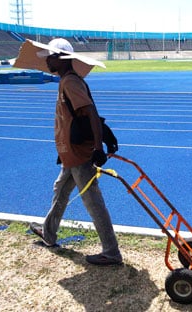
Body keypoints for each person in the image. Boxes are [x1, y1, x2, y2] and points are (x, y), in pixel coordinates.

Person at [29, 38, 122, 266]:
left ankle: (111, 251)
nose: (47, 61)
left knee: (93, 202)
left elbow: (90, 112)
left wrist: (98, 147)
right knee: (60, 190)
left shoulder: (71, 82)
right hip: (70, 155)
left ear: (61, 58)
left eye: (50, 57)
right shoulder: (65, 82)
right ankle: (49, 234)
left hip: (80, 155)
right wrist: (63, 150)